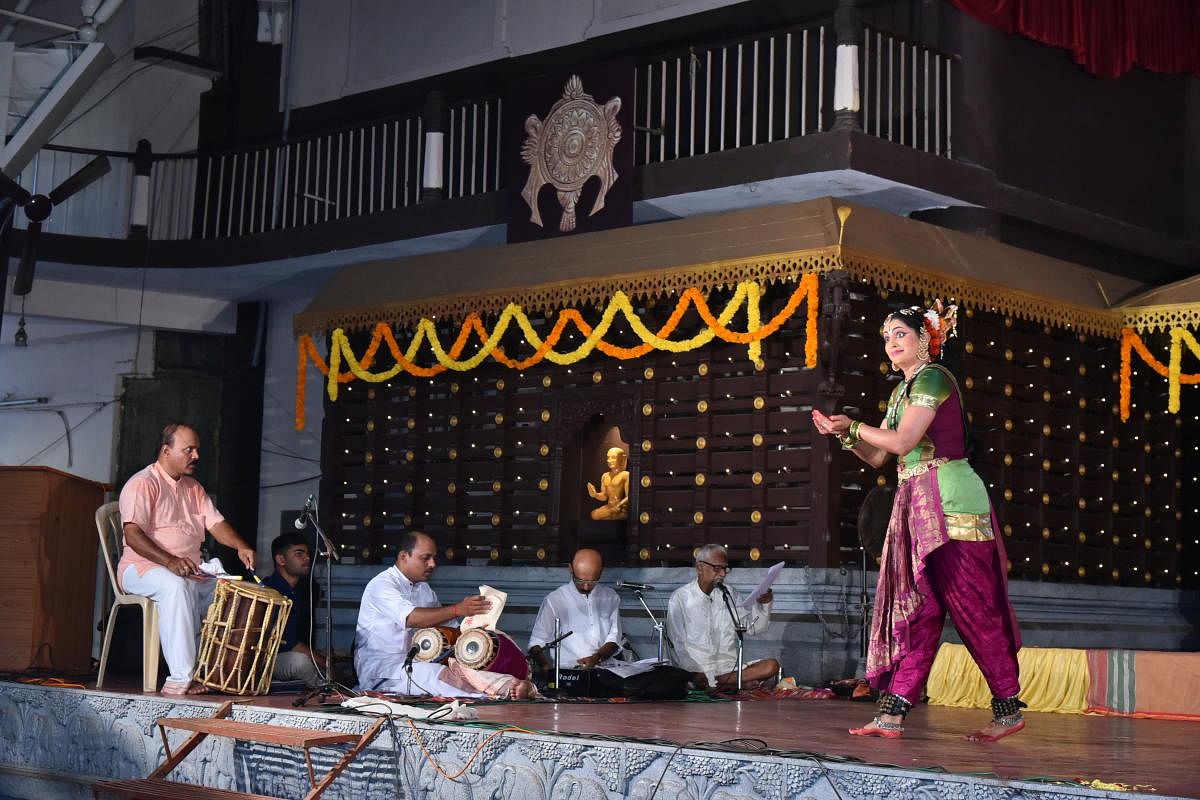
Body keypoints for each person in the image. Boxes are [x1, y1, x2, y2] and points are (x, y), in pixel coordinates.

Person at [811, 300, 1024, 742]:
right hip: (916, 503)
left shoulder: (933, 378)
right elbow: (878, 455)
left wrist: (854, 424)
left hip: (950, 502)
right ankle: (891, 713)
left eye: (901, 334)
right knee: (919, 612)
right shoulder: (899, 392)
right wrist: (844, 435)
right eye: (887, 336)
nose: (891, 343)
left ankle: (1008, 709)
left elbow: (905, 439)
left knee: (972, 610)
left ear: (926, 339)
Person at [117, 422, 256, 695]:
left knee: (237, 594)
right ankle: (180, 679)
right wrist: (169, 561)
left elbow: (216, 524)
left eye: (197, 449)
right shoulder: (143, 483)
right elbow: (132, 534)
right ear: (166, 451)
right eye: (188, 449)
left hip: (189, 569)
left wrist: (240, 545)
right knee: (176, 587)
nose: (196, 456)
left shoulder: (194, 488)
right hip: (142, 568)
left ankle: (220, 673)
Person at [353, 531, 537, 699]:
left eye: (433, 558)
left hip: (417, 664)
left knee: (465, 667)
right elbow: (411, 618)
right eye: (426, 558)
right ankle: (502, 693)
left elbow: (449, 627)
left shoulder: (424, 589)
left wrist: (479, 631)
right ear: (404, 557)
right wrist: (458, 609)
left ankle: (513, 684)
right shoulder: (382, 585)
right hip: (383, 671)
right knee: (437, 675)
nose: (432, 564)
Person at [667, 544, 779, 691]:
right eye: (717, 568)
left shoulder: (730, 594)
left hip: (728, 669)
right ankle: (729, 684)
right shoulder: (680, 598)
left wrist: (763, 604)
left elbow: (753, 628)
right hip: (697, 671)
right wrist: (694, 674)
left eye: (725, 569)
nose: (723, 574)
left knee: (771, 666)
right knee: (690, 678)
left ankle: (720, 684)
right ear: (700, 567)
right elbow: (676, 644)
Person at [528, 548, 622, 678]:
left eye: (592, 581)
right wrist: (544, 665)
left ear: (601, 572)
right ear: (570, 569)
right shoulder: (555, 600)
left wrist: (596, 658)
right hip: (569, 673)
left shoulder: (611, 597)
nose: (586, 586)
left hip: (604, 670)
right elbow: (536, 642)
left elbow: (614, 638)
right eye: (580, 580)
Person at [263, 532, 323, 688]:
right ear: (281, 559)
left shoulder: (296, 591)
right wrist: (324, 663)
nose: (307, 559)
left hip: (283, 656)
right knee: (301, 662)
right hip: (263, 660)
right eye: (299, 554)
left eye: (307, 554)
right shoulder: (271, 591)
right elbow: (288, 643)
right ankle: (323, 694)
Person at [586, 446, 630, 520]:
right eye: (608, 457)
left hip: (620, 507)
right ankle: (611, 513)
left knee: (622, 515)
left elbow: (629, 497)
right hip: (609, 507)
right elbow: (604, 496)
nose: (609, 460)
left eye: (613, 457)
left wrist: (619, 505)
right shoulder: (605, 476)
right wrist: (595, 494)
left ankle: (612, 514)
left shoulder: (625, 475)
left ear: (622, 459)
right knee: (593, 514)